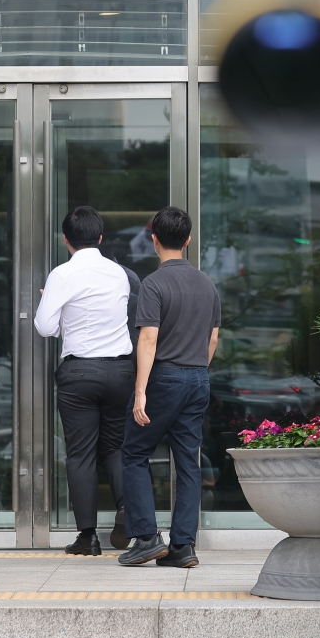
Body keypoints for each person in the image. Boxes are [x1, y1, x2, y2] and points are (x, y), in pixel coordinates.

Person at [118, 206, 221, 568]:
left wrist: (141, 391)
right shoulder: (207, 283)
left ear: (154, 240)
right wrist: (197, 371)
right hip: (198, 377)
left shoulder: (154, 283)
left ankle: (147, 538)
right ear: (188, 240)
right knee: (188, 462)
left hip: (164, 377)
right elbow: (213, 338)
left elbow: (148, 339)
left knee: (134, 453)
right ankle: (183, 547)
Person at [34, 206, 134, 555]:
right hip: (121, 371)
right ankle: (128, 509)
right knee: (116, 447)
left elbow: (45, 327)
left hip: (80, 373)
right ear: (100, 238)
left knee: (80, 454)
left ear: (66, 240)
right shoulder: (119, 273)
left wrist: (61, 313)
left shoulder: (62, 274)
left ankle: (87, 537)